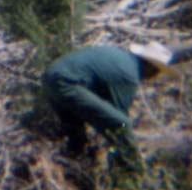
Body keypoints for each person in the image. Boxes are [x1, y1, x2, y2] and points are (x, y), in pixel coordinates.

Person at [41, 42, 173, 180]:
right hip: (67, 83)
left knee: (75, 130)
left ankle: (72, 168)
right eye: (157, 71)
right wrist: (125, 146)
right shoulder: (129, 75)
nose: (155, 76)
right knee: (121, 124)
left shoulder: (119, 57)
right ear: (150, 66)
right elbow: (117, 121)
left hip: (50, 77)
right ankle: (131, 175)